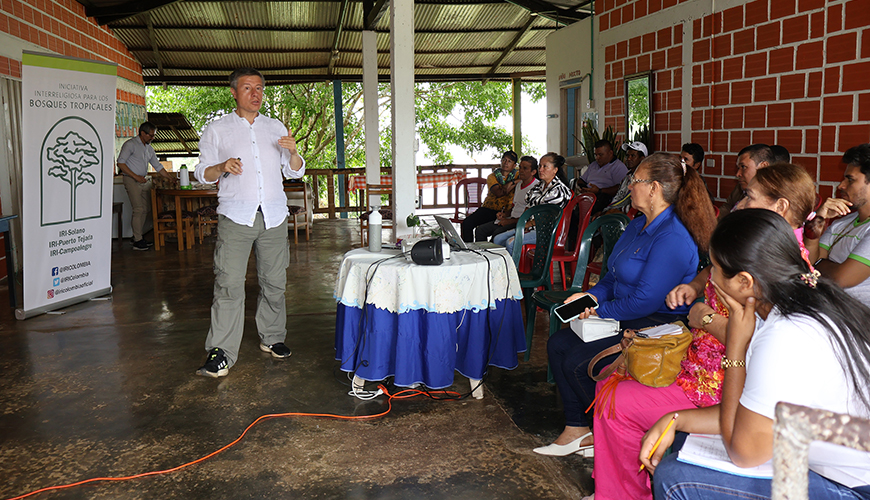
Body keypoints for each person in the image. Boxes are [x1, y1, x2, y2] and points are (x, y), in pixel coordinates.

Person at [586, 163, 817, 500]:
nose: (740, 204)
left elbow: (757, 342)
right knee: (612, 379)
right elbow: (713, 268)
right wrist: (695, 286)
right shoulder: (762, 248)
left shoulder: (778, 270)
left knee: (615, 400)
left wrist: (702, 318)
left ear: (780, 207)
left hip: (721, 385)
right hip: (702, 361)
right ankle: (618, 483)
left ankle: (624, 491)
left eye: (750, 197)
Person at [644, 209, 870, 500]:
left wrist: (736, 349)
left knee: (675, 478)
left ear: (744, 282)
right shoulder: (799, 302)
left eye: (713, 267)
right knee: (685, 437)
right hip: (834, 458)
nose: (709, 278)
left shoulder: (786, 334)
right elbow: (754, 414)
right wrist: (676, 418)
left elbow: (744, 453)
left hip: (854, 487)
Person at [535, 154, 716, 458]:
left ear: (654, 188)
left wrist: (600, 312)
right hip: (624, 312)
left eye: (635, 180)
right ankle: (577, 428)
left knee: (577, 362)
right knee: (557, 344)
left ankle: (608, 432)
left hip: (655, 321)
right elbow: (611, 277)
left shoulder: (673, 235)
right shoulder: (637, 225)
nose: (629, 186)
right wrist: (590, 298)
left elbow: (647, 299)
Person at [193, 68, 305, 378]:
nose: (255, 94)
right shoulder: (217, 130)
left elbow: (295, 171)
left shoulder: (275, 127)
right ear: (234, 92)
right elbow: (202, 172)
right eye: (247, 88)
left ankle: (272, 337)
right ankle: (221, 351)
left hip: (273, 216)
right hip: (236, 216)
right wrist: (221, 166)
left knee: (274, 281)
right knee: (228, 284)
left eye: (259, 88)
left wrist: (294, 152)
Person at [804, 144, 870, 306]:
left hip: (856, 322)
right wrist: (819, 218)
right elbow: (807, 259)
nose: (841, 186)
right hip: (825, 308)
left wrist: (817, 263)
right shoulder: (842, 223)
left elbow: (841, 278)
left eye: (850, 179)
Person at [494, 153, 572, 256]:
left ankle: (514, 271)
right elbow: (529, 206)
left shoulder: (558, 190)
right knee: (498, 239)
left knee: (511, 242)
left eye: (545, 166)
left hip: (546, 231)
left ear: (555, 170)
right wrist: (525, 222)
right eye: (540, 166)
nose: (540, 169)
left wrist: (526, 224)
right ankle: (503, 270)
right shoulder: (540, 186)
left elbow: (548, 217)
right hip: (531, 228)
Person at [116, 121, 175, 250]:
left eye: (153, 135)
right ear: (142, 133)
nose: (152, 138)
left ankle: (137, 237)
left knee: (146, 209)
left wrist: (170, 178)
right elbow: (120, 163)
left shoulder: (149, 148)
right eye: (151, 135)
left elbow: (158, 166)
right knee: (138, 209)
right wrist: (135, 176)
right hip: (131, 180)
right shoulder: (130, 145)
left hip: (144, 181)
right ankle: (137, 240)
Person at [474, 156, 538, 242]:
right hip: (511, 219)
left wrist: (510, 221)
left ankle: (493, 254)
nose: (521, 171)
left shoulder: (536, 187)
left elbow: (529, 217)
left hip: (520, 223)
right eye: (520, 167)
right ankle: (481, 254)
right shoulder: (519, 185)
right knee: (480, 230)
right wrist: (504, 214)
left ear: (533, 172)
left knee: (497, 234)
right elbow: (514, 206)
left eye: (525, 168)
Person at [460, 150, 518, 242]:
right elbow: (499, 193)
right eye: (504, 160)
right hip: (489, 209)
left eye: (509, 161)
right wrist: (513, 182)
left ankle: (484, 251)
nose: (506, 163)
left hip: (507, 211)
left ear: (514, 165)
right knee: (467, 223)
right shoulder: (493, 176)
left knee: (486, 231)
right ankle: (468, 248)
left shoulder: (518, 175)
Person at [718, 144, 775, 220]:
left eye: (743, 167)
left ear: (763, 166)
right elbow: (726, 208)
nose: (738, 174)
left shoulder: (776, 197)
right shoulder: (739, 189)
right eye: (738, 168)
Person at [577, 140, 628, 214]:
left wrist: (599, 191)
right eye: (595, 155)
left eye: (600, 155)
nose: (597, 158)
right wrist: (584, 188)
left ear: (610, 153)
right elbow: (581, 180)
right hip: (588, 197)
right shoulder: (593, 165)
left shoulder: (618, 167)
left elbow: (621, 189)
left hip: (604, 199)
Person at [602, 141, 647, 213]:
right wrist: (606, 210)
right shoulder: (627, 177)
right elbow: (618, 197)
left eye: (633, 156)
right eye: (627, 155)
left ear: (642, 159)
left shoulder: (645, 179)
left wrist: (617, 210)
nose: (628, 159)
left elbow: (639, 206)